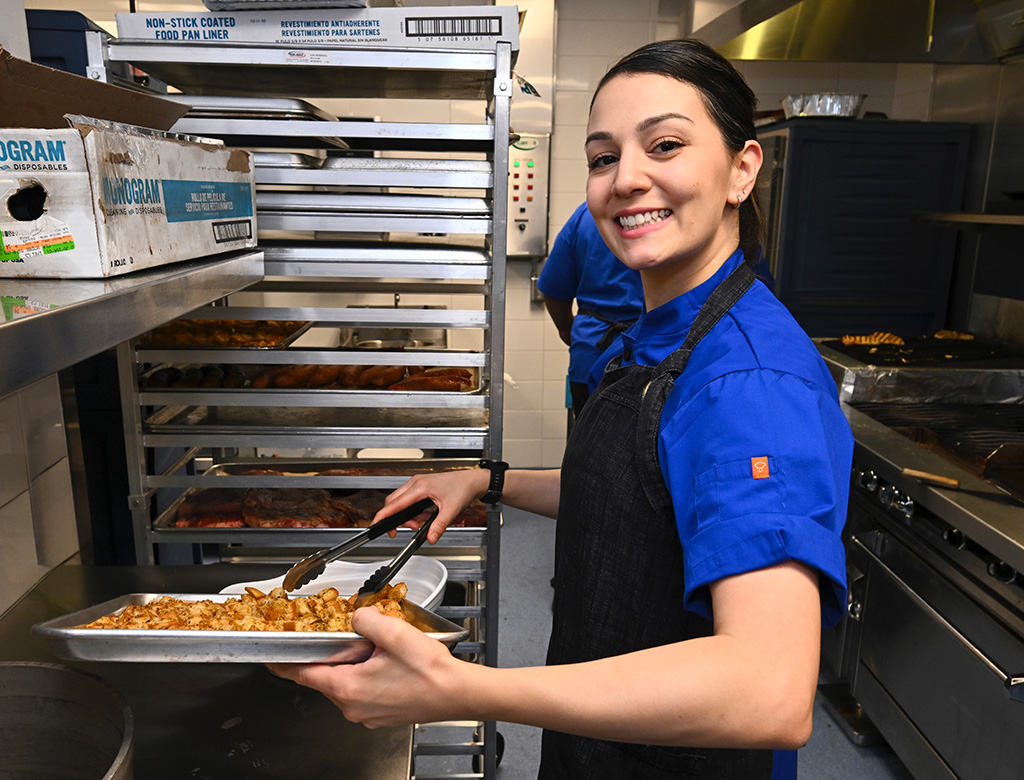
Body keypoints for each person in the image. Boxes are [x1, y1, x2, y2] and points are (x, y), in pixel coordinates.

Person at [270, 38, 853, 780]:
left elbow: (767, 691)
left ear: (742, 169)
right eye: (603, 158)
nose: (625, 180)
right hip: (610, 737)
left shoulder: (750, 384)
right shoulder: (667, 330)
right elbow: (639, 494)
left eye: (665, 145)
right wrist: (487, 479)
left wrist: (462, 689)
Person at [538, 202, 644, 419]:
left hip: (591, 350)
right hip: (650, 353)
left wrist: (566, 327)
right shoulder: (663, 215)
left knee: (590, 445)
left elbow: (553, 288)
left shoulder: (586, 215)